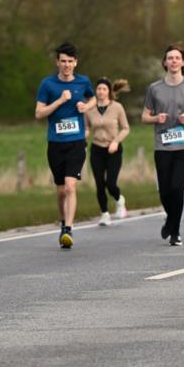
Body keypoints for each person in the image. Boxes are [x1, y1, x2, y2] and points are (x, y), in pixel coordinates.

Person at [35, 42, 94, 249]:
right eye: (63, 61)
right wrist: (59, 101)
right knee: (61, 191)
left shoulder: (83, 82)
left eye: (70, 61)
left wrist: (86, 106)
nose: (67, 65)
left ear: (75, 63)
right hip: (55, 144)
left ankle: (68, 229)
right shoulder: (48, 85)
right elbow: (39, 114)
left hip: (76, 142)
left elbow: (93, 98)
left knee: (70, 187)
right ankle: (63, 222)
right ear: (57, 62)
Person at [142, 44, 184, 246]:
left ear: (183, 63)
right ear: (165, 62)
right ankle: (170, 218)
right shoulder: (154, 89)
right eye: (170, 58)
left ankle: (175, 231)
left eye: (177, 58)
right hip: (162, 145)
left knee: (177, 186)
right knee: (165, 191)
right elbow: (144, 116)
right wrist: (155, 119)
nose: (174, 61)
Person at [84, 78, 130, 226]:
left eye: (104, 89)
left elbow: (126, 128)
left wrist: (116, 141)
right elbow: (86, 128)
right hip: (97, 149)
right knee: (99, 183)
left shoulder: (117, 107)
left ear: (109, 91)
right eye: (98, 89)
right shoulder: (89, 109)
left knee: (110, 183)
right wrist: (84, 135)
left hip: (113, 150)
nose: (101, 92)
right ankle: (104, 214)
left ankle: (119, 199)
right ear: (95, 91)